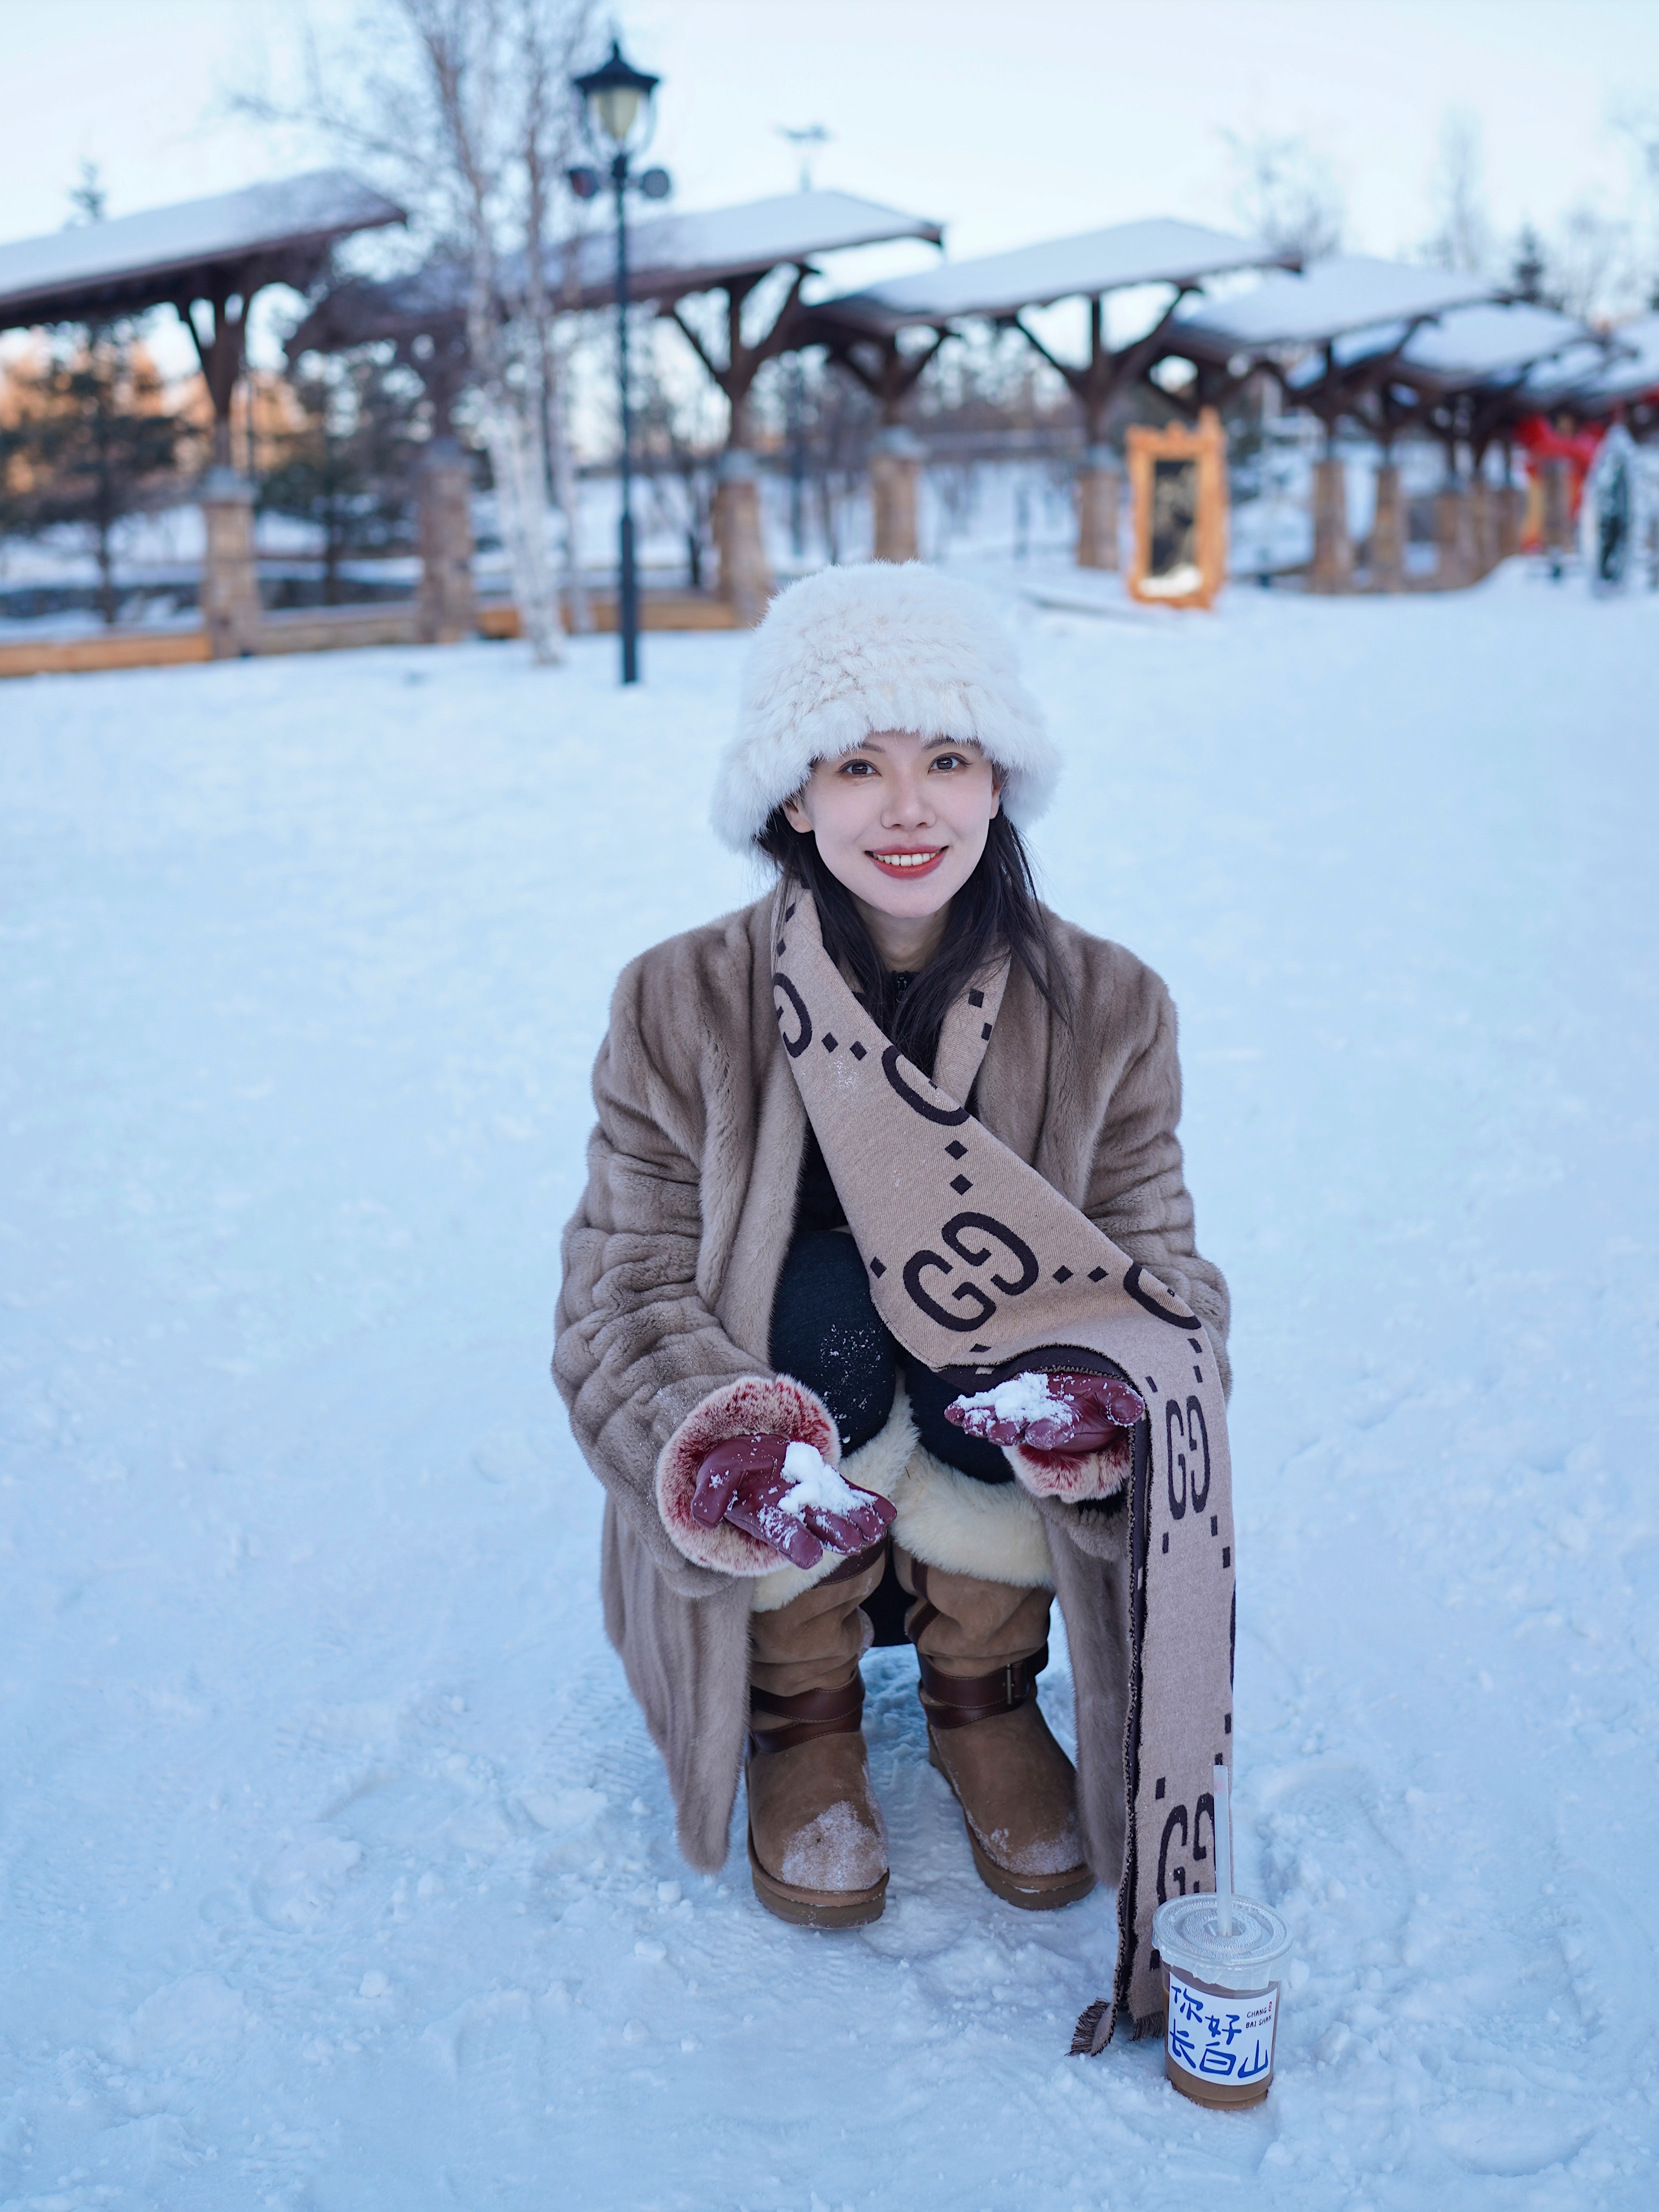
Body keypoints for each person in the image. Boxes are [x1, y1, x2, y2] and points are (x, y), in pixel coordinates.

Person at [555, 562, 1229, 1935]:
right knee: (828, 1302)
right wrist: (716, 1438)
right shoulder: (677, 1000)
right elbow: (618, 1281)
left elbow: (1167, 1269)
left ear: (999, 782)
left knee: (1027, 1324)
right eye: (857, 764)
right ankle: (796, 1707)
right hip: (802, 1394)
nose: (908, 807)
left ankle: (985, 1688)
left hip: (980, 1416)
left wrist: (1107, 1396)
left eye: (947, 758)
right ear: (793, 798)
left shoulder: (1110, 1006)